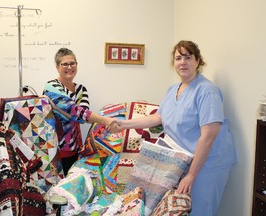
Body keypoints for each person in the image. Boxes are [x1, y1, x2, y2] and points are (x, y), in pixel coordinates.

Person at [107, 40, 237, 216]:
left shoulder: (207, 91)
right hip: (182, 161)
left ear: (198, 61)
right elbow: (158, 117)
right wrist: (124, 124)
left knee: (199, 210)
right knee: (180, 210)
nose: (182, 62)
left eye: (188, 57)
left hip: (208, 164)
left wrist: (191, 175)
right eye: (178, 58)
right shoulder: (173, 89)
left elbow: (208, 136)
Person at [43, 48, 114, 176]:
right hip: (54, 146)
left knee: (72, 185)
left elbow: (82, 117)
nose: (69, 67)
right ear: (57, 67)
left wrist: (59, 108)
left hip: (75, 146)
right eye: (64, 64)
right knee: (56, 187)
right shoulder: (51, 86)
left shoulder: (81, 89)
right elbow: (76, 112)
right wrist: (106, 120)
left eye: (72, 63)